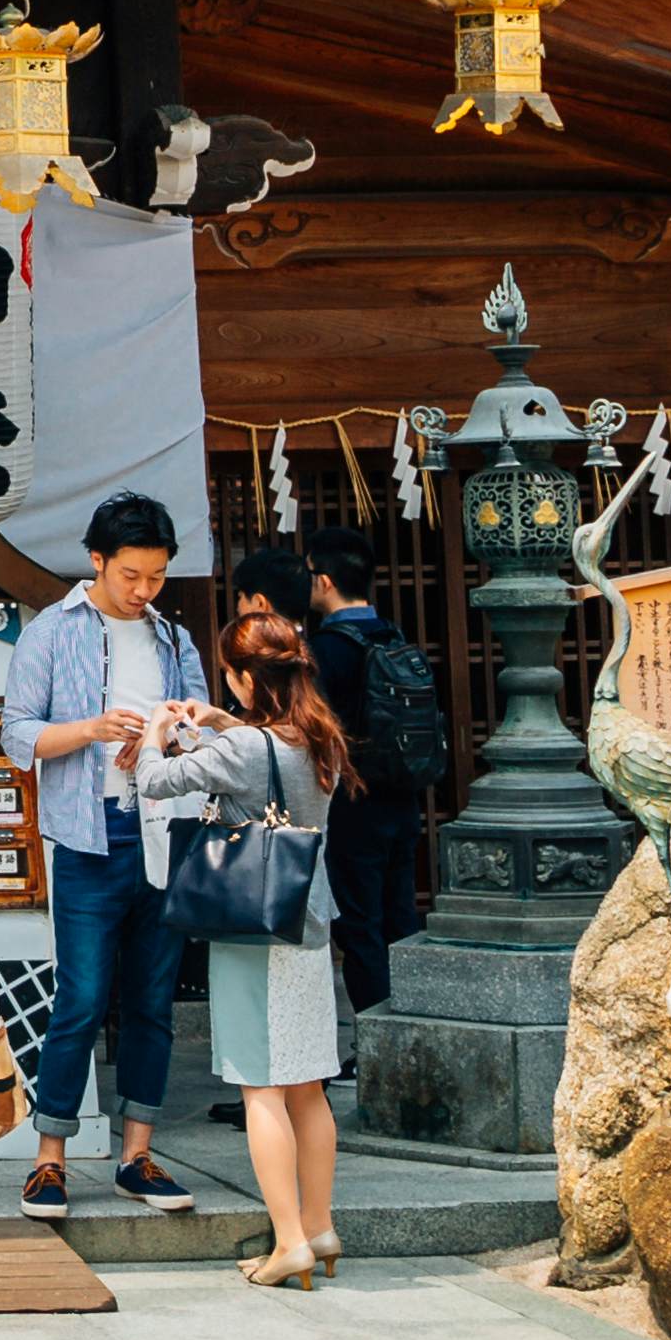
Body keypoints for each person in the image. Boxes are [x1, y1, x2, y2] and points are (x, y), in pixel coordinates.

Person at [1, 490, 205, 1221]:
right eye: (130, 574)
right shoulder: (52, 632)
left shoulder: (174, 640)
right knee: (82, 998)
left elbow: (204, 734)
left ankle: (136, 1154)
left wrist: (170, 735)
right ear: (96, 560)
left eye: (155, 576)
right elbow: (17, 734)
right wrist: (91, 728)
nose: (144, 589)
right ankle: (50, 1158)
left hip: (164, 832)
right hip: (90, 836)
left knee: (153, 1001)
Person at [158, 592, 354, 1286]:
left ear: (244, 679)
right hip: (308, 921)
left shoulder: (242, 747)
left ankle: (290, 1241)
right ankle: (320, 1226)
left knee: (260, 1088)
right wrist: (219, 724)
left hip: (252, 927)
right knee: (307, 1085)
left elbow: (155, 779)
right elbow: (256, 752)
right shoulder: (319, 735)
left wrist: (166, 727)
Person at [297, 527, 431, 1014]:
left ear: (325, 580)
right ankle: (414, 1025)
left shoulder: (327, 649)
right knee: (401, 920)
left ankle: (377, 1039)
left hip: (354, 804)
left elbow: (316, 730)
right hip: (404, 800)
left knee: (360, 926)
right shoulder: (394, 635)